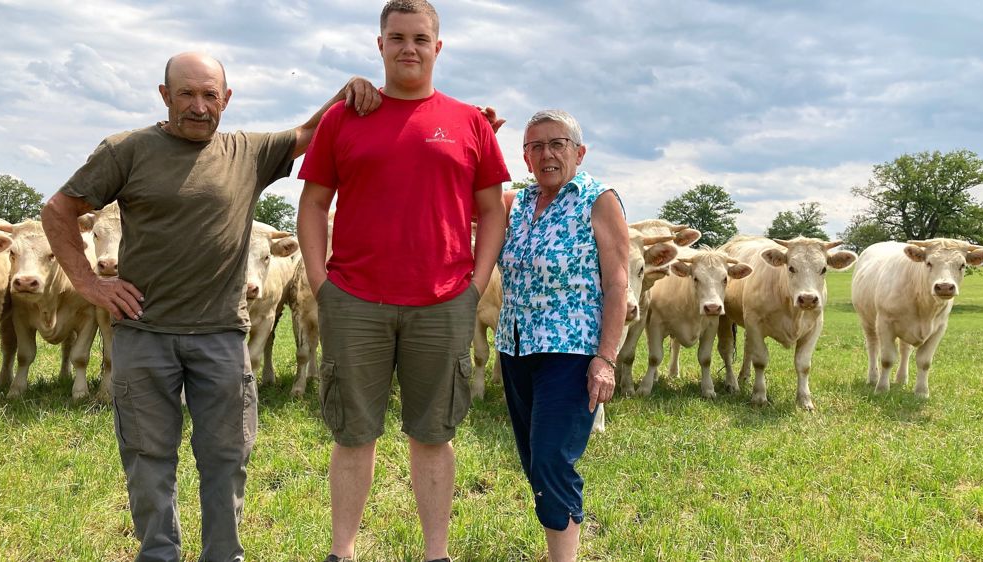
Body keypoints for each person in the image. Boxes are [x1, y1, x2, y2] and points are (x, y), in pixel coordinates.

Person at [40, 52, 380, 562]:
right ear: (164, 95)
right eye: (186, 94)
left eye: (209, 95)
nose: (198, 106)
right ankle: (159, 552)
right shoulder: (126, 150)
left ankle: (223, 554)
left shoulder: (247, 153)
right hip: (144, 332)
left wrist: (349, 89)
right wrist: (88, 284)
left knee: (225, 456)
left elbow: (309, 131)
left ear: (226, 97)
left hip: (222, 336)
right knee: (147, 454)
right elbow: (58, 210)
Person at [296, 1, 510, 560]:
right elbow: (314, 204)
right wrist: (323, 285)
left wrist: (474, 284)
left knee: (434, 434)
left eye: (420, 38)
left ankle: (435, 552)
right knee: (352, 434)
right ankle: (342, 551)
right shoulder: (345, 117)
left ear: (438, 47)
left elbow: (492, 211)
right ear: (380, 44)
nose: (408, 48)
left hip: (442, 302)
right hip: (354, 300)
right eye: (397, 38)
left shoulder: (469, 123)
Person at [495, 110, 628, 562]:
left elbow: (618, 283)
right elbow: (469, 198)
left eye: (558, 144)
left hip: (571, 350)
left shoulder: (598, 199)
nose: (547, 154)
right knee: (536, 461)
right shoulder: (515, 204)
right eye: (535, 147)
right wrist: (482, 142)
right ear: (525, 157)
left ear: (579, 152)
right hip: (515, 347)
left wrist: (605, 358)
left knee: (552, 459)